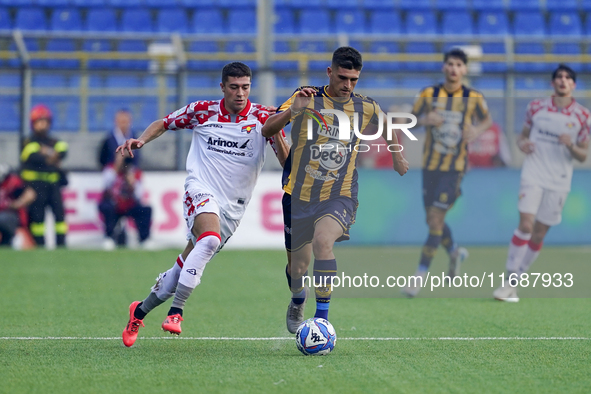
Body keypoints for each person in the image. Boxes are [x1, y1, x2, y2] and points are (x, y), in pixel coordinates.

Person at [119, 62, 289, 347]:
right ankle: (177, 312)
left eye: (245, 87)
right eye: (234, 87)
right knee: (208, 241)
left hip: (233, 206)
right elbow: (164, 122)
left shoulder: (263, 118)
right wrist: (142, 140)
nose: (240, 93)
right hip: (200, 189)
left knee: (184, 266)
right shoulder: (202, 111)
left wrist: (280, 125)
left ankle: (139, 310)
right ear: (222, 87)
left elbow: (286, 163)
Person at [261, 46, 409, 334]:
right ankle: (297, 298)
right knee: (297, 269)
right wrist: (293, 111)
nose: (348, 85)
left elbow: (388, 124)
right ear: (329, 72)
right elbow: (267, 129)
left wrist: (397, 155)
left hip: (339, 194)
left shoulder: (366, 107)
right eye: (343, 78)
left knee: (323, 242)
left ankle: (322, 319)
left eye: (354, 80)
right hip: (298, 195)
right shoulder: (305, 97)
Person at [494, 64, 589, 302]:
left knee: (538, 234)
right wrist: (522, 144)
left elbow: (583, 154)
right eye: (559, 77)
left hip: (559, 181)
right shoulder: (535, 107)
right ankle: (508, 281)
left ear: (573, 85)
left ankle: (515, 280)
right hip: (533, 173)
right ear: (553, 83)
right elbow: (522, 137)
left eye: (568, 78)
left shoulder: (583, 116)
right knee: (525, 225)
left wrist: (570, 145)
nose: (563, 81)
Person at [403, 48, 493, 297]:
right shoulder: (428, 94)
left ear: (464, 70)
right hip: (430, 167)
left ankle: (418, 277)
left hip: (454, 169)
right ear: (444, 67)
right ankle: (454, 251)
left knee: (434, 221)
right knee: (433, 220)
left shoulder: (473, 97)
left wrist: (476, 131)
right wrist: (423, 121)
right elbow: (408, 119)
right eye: (450, 64)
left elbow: (486, 120)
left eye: (458, 65)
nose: (454, 69)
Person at [20, 104, 69, 247]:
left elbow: (63, 150)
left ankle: (61, 245)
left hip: (53, 185)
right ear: (33, 124)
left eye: (45, 121)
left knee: (59, 216)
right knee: (38, 218)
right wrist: (51, 155)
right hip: (35, 186)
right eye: (39, 122)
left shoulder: (53, 141)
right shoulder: (28, 141)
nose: (43, 125)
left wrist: (46, 152)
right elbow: (31, 155)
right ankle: (39, 245)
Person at [98, 154, 152, 250]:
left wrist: (132, 182)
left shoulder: (135, 173)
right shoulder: (110, 170)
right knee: (106, 207)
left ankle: (144, 239)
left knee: (146, 210)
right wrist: (116, 167)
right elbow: (106, 185)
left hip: (130, 205)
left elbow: (139, 195)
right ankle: (109, 237)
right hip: (114, 205)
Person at [0, 164, 36, 247]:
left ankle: (8, 238)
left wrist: (17, 203)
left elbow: (30, 194)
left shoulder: (12, 182)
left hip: (10, 214)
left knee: (2, 219)